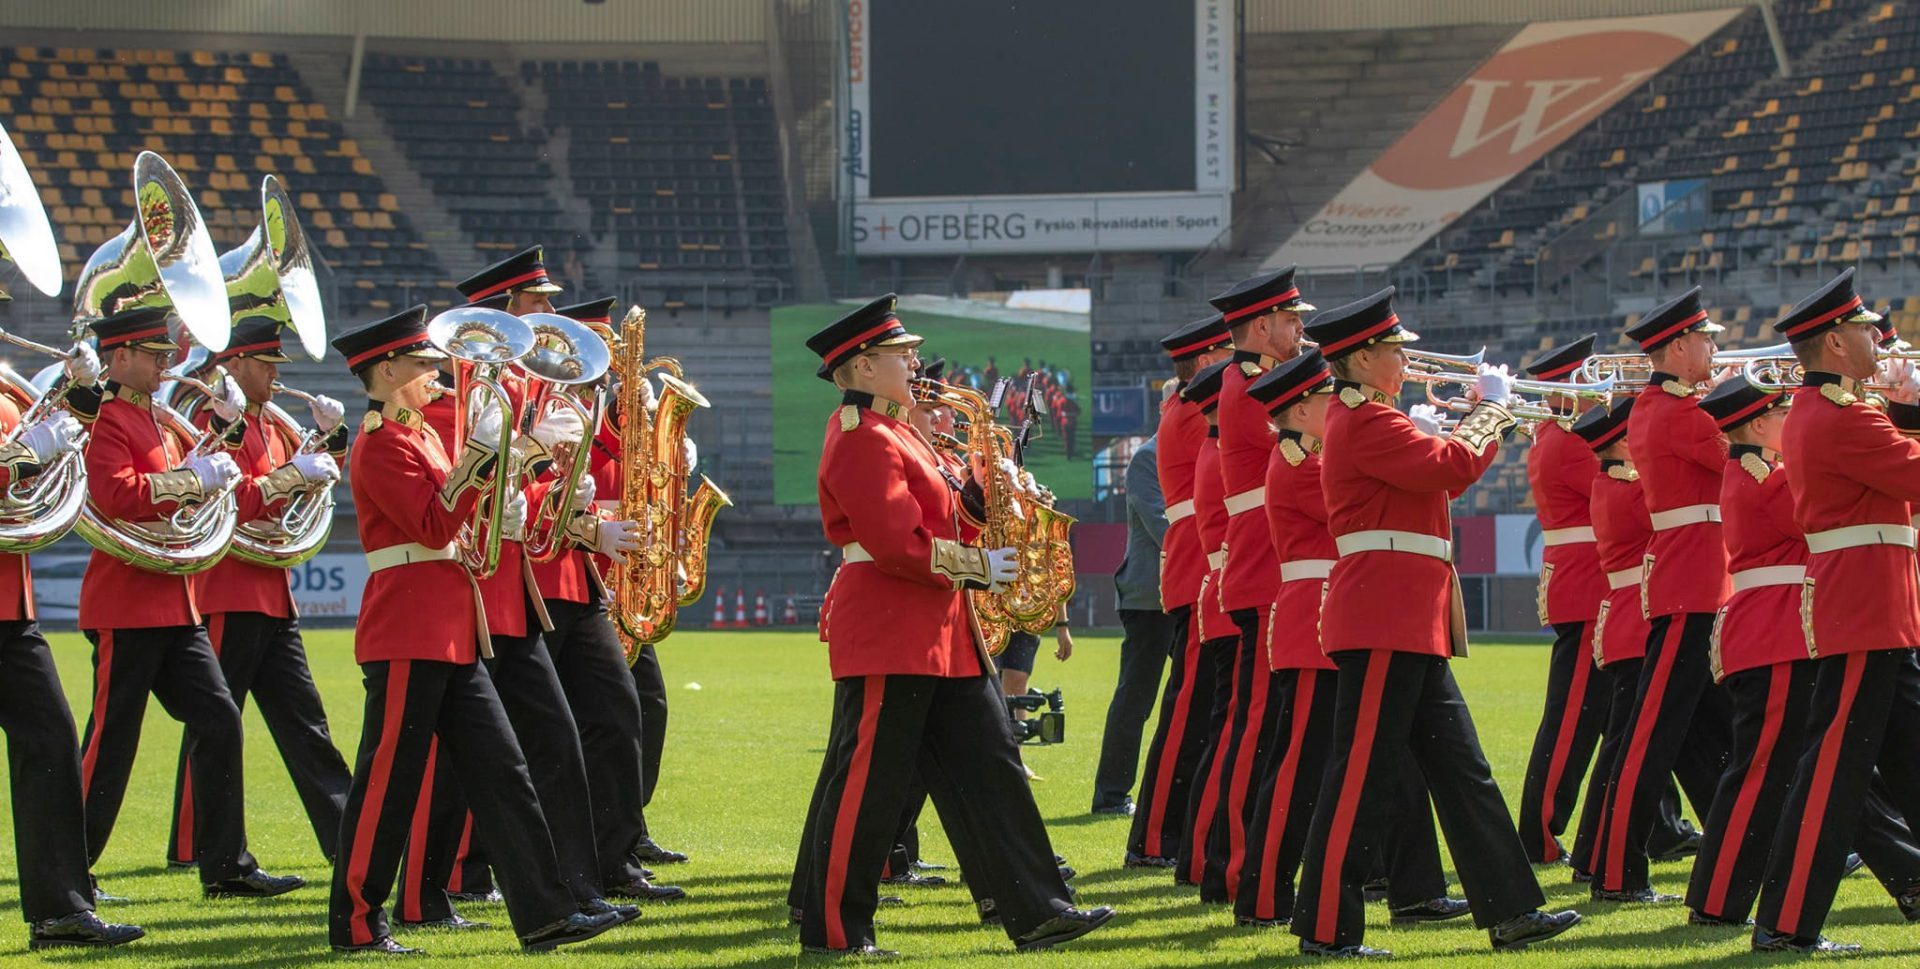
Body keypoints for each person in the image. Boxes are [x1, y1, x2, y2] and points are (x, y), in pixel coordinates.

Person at [795, 294, 1111, 956]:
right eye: (899, 353)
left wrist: (979, 493)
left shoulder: (901, 431)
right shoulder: (860, 435)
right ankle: (835, 929)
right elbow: (894, 543)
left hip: (942, 631)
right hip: (892, 626)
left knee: (994, 766)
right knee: (870, 786)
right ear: (859, 366)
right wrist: (979, 564)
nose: (913, 361)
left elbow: (943, 521)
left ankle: (1039, 908)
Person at [325, 304, 625, 955]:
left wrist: (512, 484)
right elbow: (433, 525)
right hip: (408, 627)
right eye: (422, 365)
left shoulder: (423, 438)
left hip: (454, 627)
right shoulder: (379, 442)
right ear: (385, 370)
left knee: (504, 771)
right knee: (388, 780)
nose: (436, 376)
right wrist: (487, 458)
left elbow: (463, 516)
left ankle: (545, 911)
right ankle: (355, 917)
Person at [1290, 286, 1579, 957]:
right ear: (1361, 358)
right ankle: (1327, 926)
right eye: (1393, 348)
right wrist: (1491, 407)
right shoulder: (1365, 421)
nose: (1403, 359)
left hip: (1408, 617)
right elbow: (1451, 467)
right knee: (1358, 774)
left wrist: (1475, 412)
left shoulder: (1373, 417)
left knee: (1464, 771)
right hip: (1384, 615)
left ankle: (1511, 909)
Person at [75, 306, 305, 901]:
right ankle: (69, 871)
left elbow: (212, 473)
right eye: (153, 356)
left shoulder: (162, 419)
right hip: (125, 603)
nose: (166, 364)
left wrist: (225, 435)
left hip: (178, 604)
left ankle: (225, 866)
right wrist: (192, 481)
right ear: (119, 356)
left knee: (220, 719)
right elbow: (114, 493)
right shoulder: (106, 418)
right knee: (111, 744)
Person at [1234, 349, 1465, 931]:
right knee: (1303, 768)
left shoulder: (1315, 451)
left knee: (1397, 765)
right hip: (1316, 619)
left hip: (1342, 614)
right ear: (1299, 410)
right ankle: (1262, 895)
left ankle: (1417, 888)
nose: (1332, 408)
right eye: (1322, 401)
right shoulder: (1298, 463)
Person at [1687, 367, 1920, 928]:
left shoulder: (1764, 472)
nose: (1790, 421)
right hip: (1775, 635)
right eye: (1780, 413)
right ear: (1761, 423)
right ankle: (1719, 902)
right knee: (1773, 772)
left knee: (1834, 770)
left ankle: (1908, 877)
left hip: (1788, 629)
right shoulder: (1762, 480)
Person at [1749, 269, 1920, 952]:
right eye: (1861, 327)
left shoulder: (1837, 409)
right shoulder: (1839, 415)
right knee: (1830, 774)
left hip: (1879, 607)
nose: (1874, 334)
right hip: (1863, 608)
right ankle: (1786, 924)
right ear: (1835, 343)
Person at [165, 316, 352, 872]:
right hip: (228, 587)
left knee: (306, 724)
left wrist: (332, 439)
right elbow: (231, 499)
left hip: (272, 590)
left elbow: (319, 478)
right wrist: (293, 476)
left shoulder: (274, 423)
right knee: (217, 722)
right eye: (266, 364)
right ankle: (190, 845)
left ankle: (346, 838)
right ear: (235, 363)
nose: (275, 375)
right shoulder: (214, 420)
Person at [0, 327, 141, 949]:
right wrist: (25, 452)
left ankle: (60, 911)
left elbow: (51, 462)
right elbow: (21, 460)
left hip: (10, 605)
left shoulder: (6, 389)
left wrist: (83, 395)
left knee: (53, 745)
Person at [1595, 288, 1734, 903]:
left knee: (1710, 738)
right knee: (1651, 737)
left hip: (1700, 580)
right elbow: (1755, 453)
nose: (1714, 349)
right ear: (1678, 347)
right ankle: (1617, 874)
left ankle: (1739, 850)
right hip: (1689, 584)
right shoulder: (1675, 411)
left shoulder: (1674, 406)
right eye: (1706, 340)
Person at [1190, 268, 1313, 903]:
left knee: (1261, 727)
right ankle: (1233, 867)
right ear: (1261, 327)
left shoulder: (1251, 380)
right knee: (1255, 726)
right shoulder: (1251, 386)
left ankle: (1234, 865)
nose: (1302, 330)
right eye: (1292, 321)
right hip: (1265, 570)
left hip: (1267, 568)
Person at [1127, 313, 1234, 866]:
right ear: (1207, 360)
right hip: (1200, 566)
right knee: (1188, 709)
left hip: (1199, 564)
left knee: (1193, 708)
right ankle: (1153, 839)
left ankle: (1166, 833)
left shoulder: (1187, 404)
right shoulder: (1196, 407)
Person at [1514, 336, 1610, 866]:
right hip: (1589, 587)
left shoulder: (1559, 434)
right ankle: (1539, 833)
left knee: (1622, 717)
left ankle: (1659, 824)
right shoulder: (1571, 439)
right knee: (1573, 720)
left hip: (1588, 583)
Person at [1175, 359, 1239, 890]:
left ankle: (1200, 858)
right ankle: (1201, 859)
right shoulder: (1221, 453)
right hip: (1229, 600)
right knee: (1230, 740)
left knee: (1228, 737)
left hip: (1222, 599)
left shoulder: (1217, 449)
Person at [1095, 433, 1171, 816]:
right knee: (1136, 699)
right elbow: (1161, 524)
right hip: (1150, 597)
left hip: (1186, 591)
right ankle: (1110, 794)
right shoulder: (1148, 458)